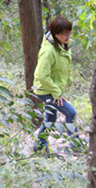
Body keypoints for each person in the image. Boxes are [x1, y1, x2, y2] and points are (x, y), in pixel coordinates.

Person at [32, 16, 77, 153]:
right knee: (71, 113)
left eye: (68, 32)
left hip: (53, 88)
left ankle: (39, 145)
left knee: (51, 117)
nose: (67, 36)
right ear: (55, 34)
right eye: (63, 34)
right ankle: (76, 146)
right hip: (44, 89)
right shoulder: (48, 51)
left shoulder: (65, 46)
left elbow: (67, 64)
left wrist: (69, 80)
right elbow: (42, 76)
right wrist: (57, 93)